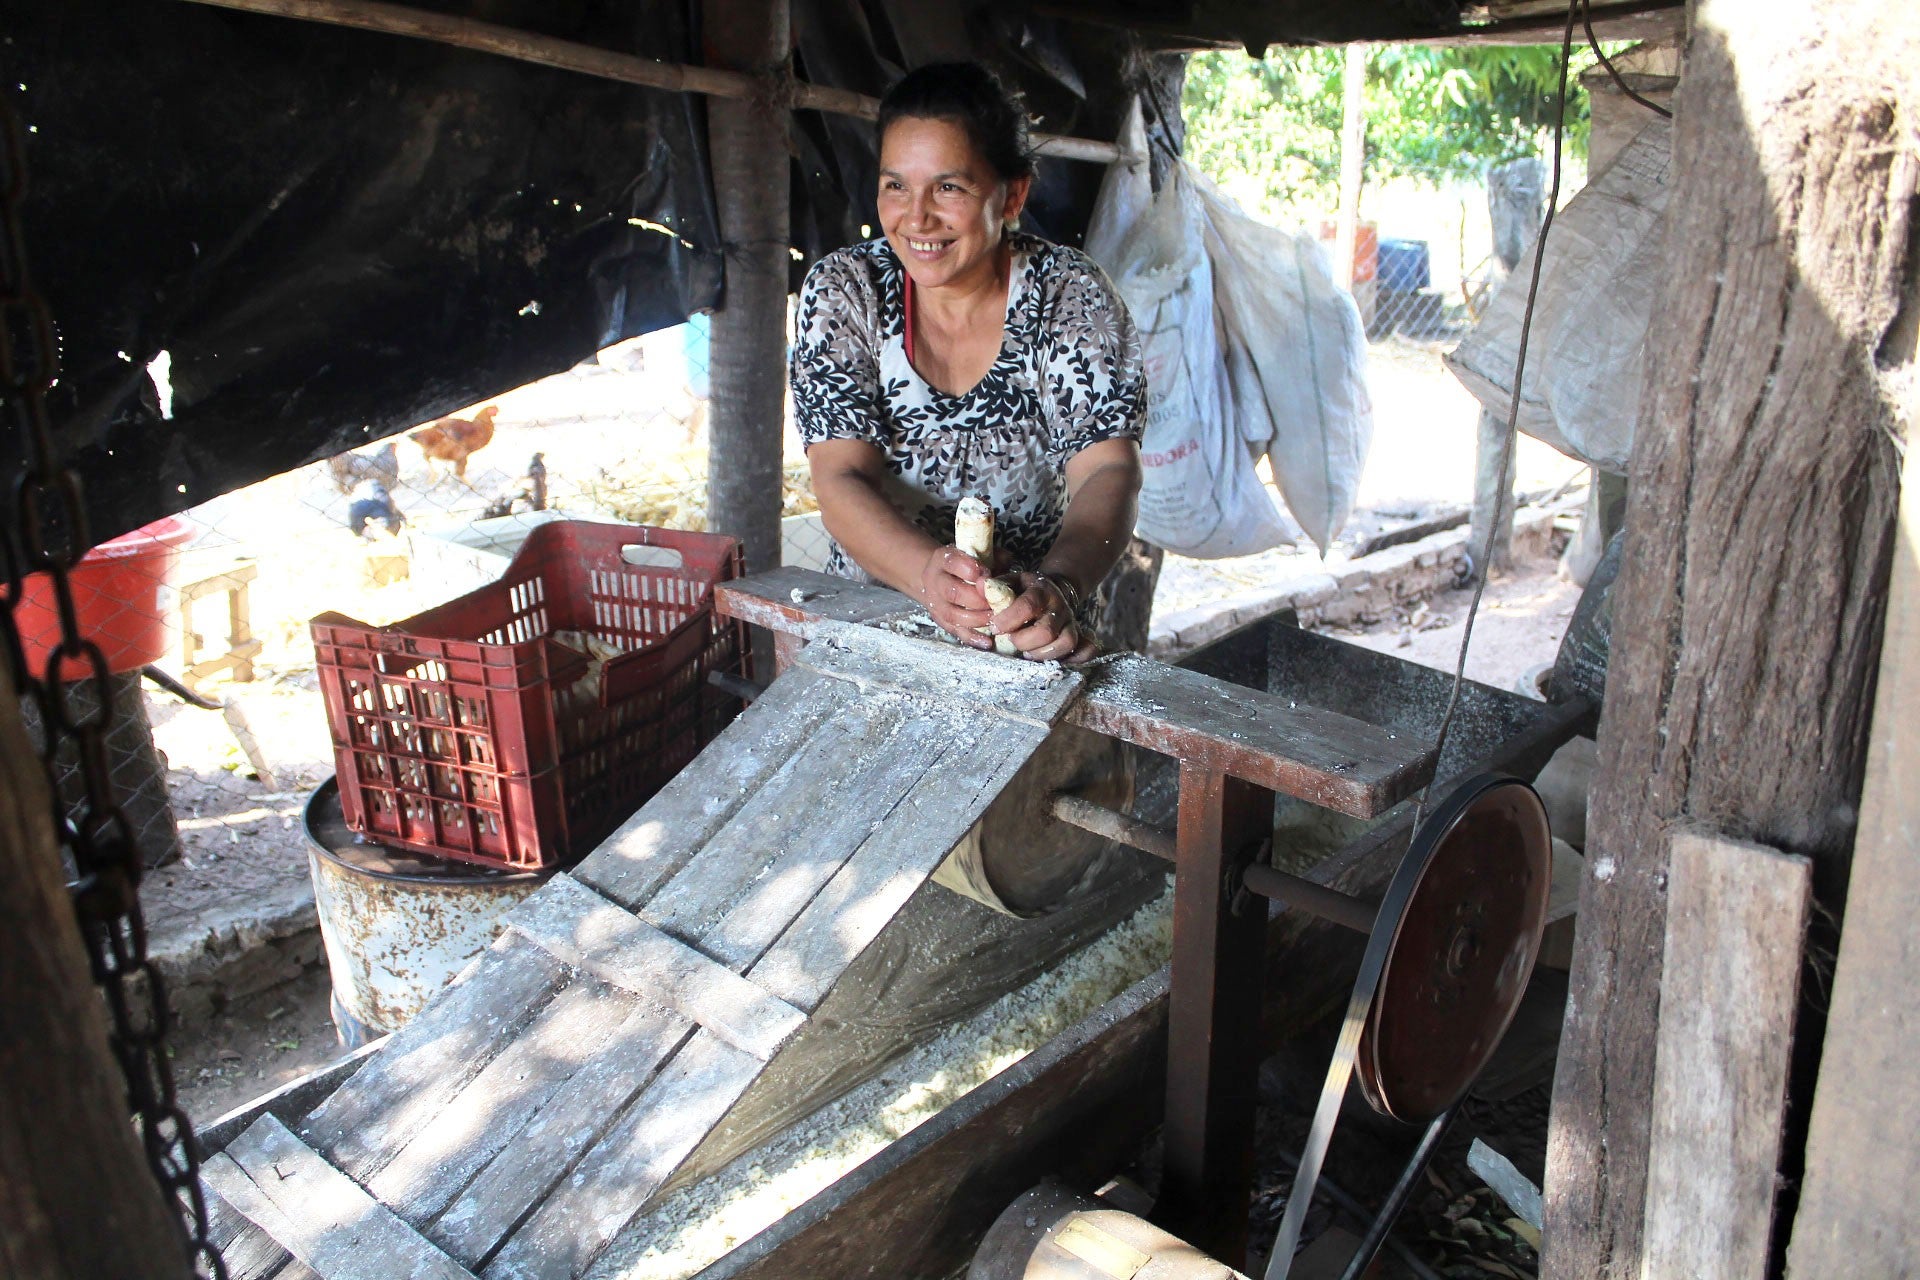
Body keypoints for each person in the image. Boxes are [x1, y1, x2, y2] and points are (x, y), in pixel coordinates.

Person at [791, 62, 1145, 663]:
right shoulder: (847, 291)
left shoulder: (1069, 295)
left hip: (1029, 629)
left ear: (1013, 194)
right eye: (895, 185)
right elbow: (839, 475)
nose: (917, 217)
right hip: (880, 613)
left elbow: (1107, 470)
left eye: (949, 187)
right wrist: (930, 579)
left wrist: (1059, 586)